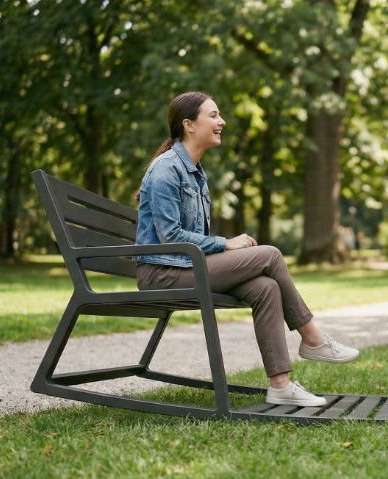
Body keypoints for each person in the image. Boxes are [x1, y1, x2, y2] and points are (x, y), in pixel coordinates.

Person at [134, 91, 359, 408]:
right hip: (163, 274)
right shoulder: (166, 169)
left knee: (265, 287)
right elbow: (171, 236)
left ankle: (280, 384)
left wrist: (222, 249)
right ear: (188, 125)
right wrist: (226, 243)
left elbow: (189, 241)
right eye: (213, 115)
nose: (221, 121)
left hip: (185, 268)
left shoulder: (197, 173)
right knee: (270, 254)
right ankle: (312, 338)